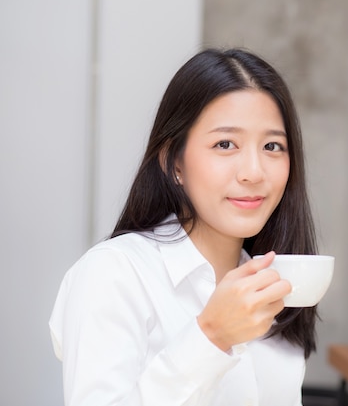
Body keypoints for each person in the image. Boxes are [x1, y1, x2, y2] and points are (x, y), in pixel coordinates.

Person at [49, 47, 319, 406]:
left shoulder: (275, 282)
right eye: (225, 144)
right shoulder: (114, 274)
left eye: (272, 146)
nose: (254, 172)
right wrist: (210, 336)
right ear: (174, 162)